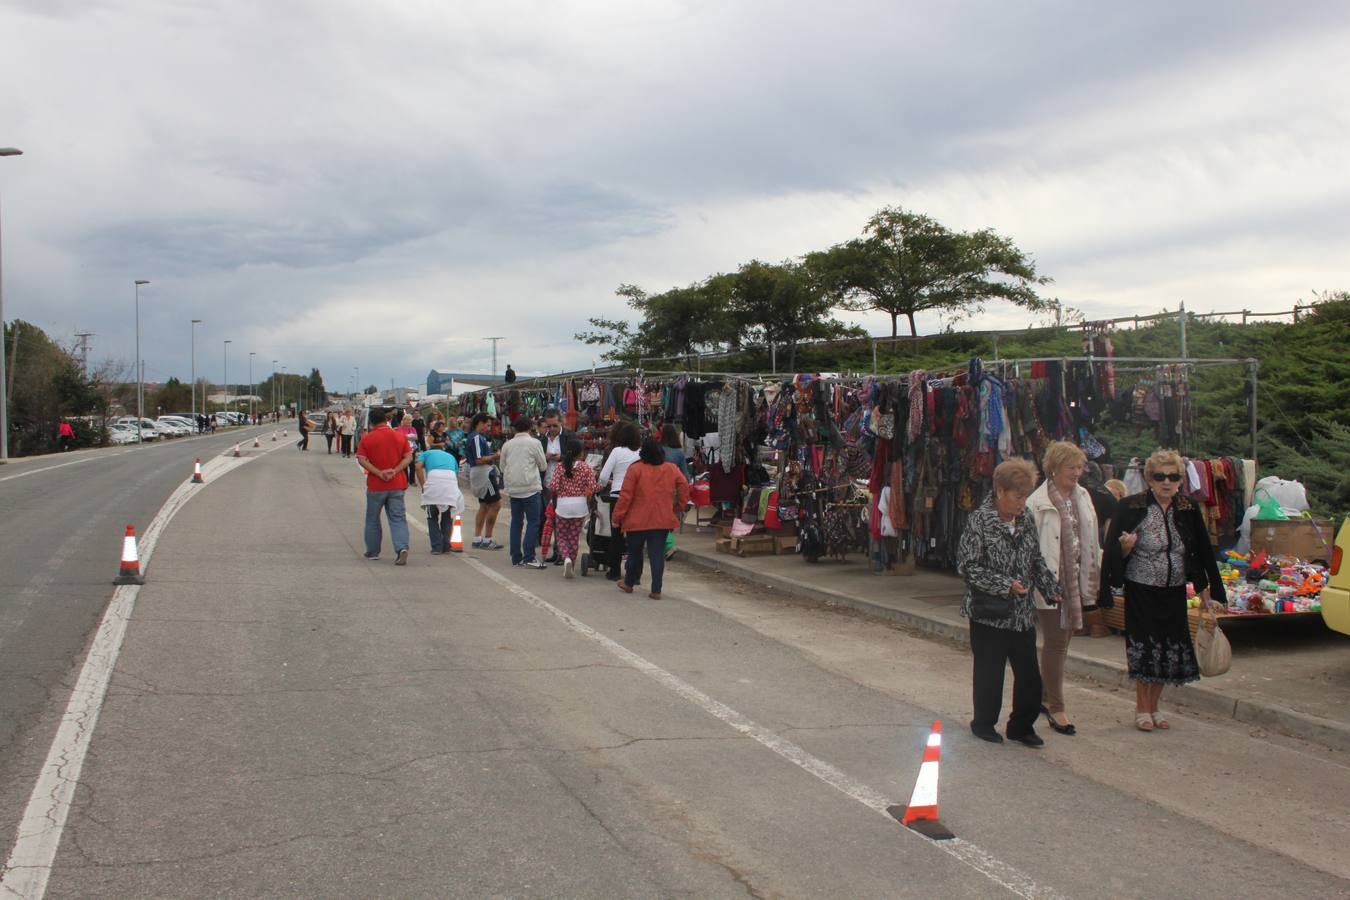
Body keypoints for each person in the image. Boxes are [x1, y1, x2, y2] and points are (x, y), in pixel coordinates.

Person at [1100, 448, 1226, 732]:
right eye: (1159, 476)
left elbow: (1201, 550)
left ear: (1181, 479)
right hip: (1141, 588)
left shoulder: (1187, 508)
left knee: (1169, 648)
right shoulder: (1131, 506)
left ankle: (1156, 707)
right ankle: (1141, 708)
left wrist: (1206, 588)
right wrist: (1125, 549)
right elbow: (1111, 551)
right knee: (1146, 648)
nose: (1166, 482)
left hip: (1174, 588)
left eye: (1173, 476)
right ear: (1149, 479)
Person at [957, 458, 1061, 746]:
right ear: (1000, 491)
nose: (1022, 502)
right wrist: (1004, 585)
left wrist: (1051, 588)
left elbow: (1036, 560)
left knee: (1029, 673)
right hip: (989, 612)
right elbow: (968, 566)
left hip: (1021, 613)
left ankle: (1021, 726)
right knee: (990, 672)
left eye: (1025, 495)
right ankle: (983, 723)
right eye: (1017, 496)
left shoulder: (1026, 518)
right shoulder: (980, 520)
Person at [1026, 442, 1101, 737]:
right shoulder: (1037, 501)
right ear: (1054, 468)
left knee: (1064, 641)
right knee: (1056, 642)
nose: (1077, 472)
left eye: (1080, 467)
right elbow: (1031, 546)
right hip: (1051, 582)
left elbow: (1090, 539)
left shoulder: (1082, 496)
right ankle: (1056, 706)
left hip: (1076, 581)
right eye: (1071, 467)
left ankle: (1045, 696)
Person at [612, 438, 691, 600]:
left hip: (637, 520)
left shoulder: (635, 469)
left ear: (643, 453)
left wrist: (617, 516)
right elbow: (684, 486)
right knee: (656, 555)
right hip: (661, 519)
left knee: (634, 553)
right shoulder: (671, 468)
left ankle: (628, 583)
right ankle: (656, 590)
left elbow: (625, 496)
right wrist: (679, 507)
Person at [355, 406, 413, 565]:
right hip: (397, 484)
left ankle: (373, 551)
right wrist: (395, 471)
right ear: (387, 420)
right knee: (398, 518)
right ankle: (402, 548)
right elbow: (408, 457)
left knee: (372, 518)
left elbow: (361, 459)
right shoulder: (399, 437)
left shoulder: (367, 438)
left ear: (371, 422)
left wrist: (379, 473)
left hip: (376, 485)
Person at [597, 420, 643, 582]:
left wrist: (603, 485)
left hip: (617, 497)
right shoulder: (641, 453)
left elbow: (603, 476)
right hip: (637, 499)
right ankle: (635, 574)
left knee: (616, 535)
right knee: (635, 537)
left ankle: (614, 570)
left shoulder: (616, 451)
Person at [500, 416, 548, 568]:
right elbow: (543, 465)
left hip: (513, 489)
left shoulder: (507, 445)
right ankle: (529, 556)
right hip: (531, 487)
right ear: (530, 427)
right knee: (533, 522)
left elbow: (502, 467)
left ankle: (516, 557)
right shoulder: (535, 443)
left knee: (516, 522)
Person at [548, 436, 596, 578]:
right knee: (574, 537)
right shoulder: (586, 467)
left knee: (561, 536)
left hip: (563, 505)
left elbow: (553, 486)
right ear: (580, 453)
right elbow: (593, 487)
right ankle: (572, 565)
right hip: (580, 505)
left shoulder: (560, 466)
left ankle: (566, 558)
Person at [536, 408, 575, 562]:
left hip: (565, 483)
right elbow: (537, 460)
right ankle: (557, 551)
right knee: (551, 518)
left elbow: (577, 455)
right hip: (547, 483)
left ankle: (562, 552)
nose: (551, 429)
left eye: (554, 426)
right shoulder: (541, 440)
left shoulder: (569, 437)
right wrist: (544, 457)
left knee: (562, 520)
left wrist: (562, 457)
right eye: (549, 426)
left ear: (560, 423)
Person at [416, 433, 463, 554]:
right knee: (447, 517)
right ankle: (446, 546)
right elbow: (455, 475)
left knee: (431, 516)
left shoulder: (425, 454)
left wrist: (423, 485)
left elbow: (418, 467)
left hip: (433, 484)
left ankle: (436, 547)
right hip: (450, 485)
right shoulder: (450, 456)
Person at [465, 413, 505, 550]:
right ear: (479, 423)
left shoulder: (475, 437)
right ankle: (488, 538)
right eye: (487, 425)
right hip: (484, 473)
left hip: (479, 472)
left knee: (484, 506)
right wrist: (496, 455)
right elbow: (478, 459)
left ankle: (478, 538)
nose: (488, 428)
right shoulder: (476, 437)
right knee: (496, 505)